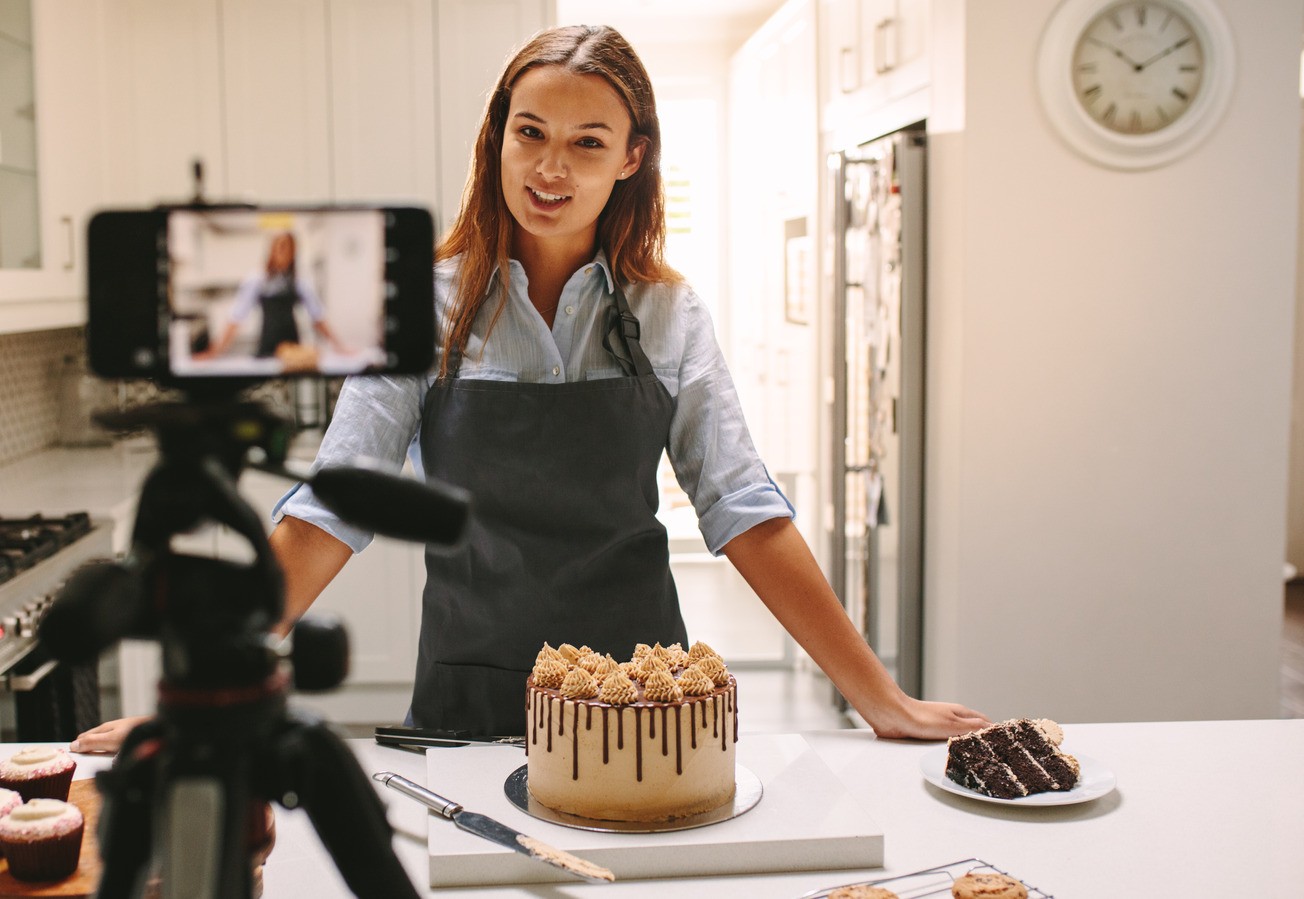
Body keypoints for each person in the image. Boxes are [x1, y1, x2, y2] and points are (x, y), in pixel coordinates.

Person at [74, 24, 988, 753]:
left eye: (588, 143)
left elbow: (744, 508)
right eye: (531, 134)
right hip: (471, 696)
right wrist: (202, 692)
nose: (551, 170)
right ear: (498, 138)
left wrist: (880, 697)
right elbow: (332, 508)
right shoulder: (423, 307)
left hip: (643, 703)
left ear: (631, 157)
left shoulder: (668, 314)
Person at [194, 232, 344, 362]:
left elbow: (318, 316)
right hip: (266, 347)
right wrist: (214, 352)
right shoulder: (257, 280)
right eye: (281, 247)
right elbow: (236, 317)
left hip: (292, 350)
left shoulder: (299, 281)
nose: (285, 253)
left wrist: (339, 347)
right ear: (272, 250)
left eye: (289, 249)